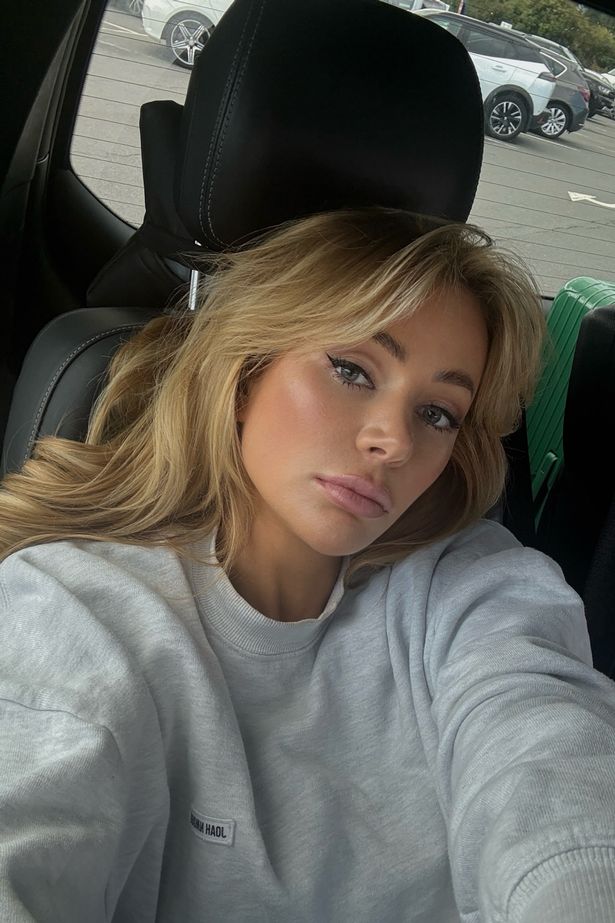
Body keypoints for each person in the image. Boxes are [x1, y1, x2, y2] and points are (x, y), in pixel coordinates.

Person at [1, 207, 615, 923]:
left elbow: (552, 765)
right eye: (352, 370)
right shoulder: (70, 607)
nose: (393, 440)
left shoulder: (471, 587)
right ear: (244, 376)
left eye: (437, 413)